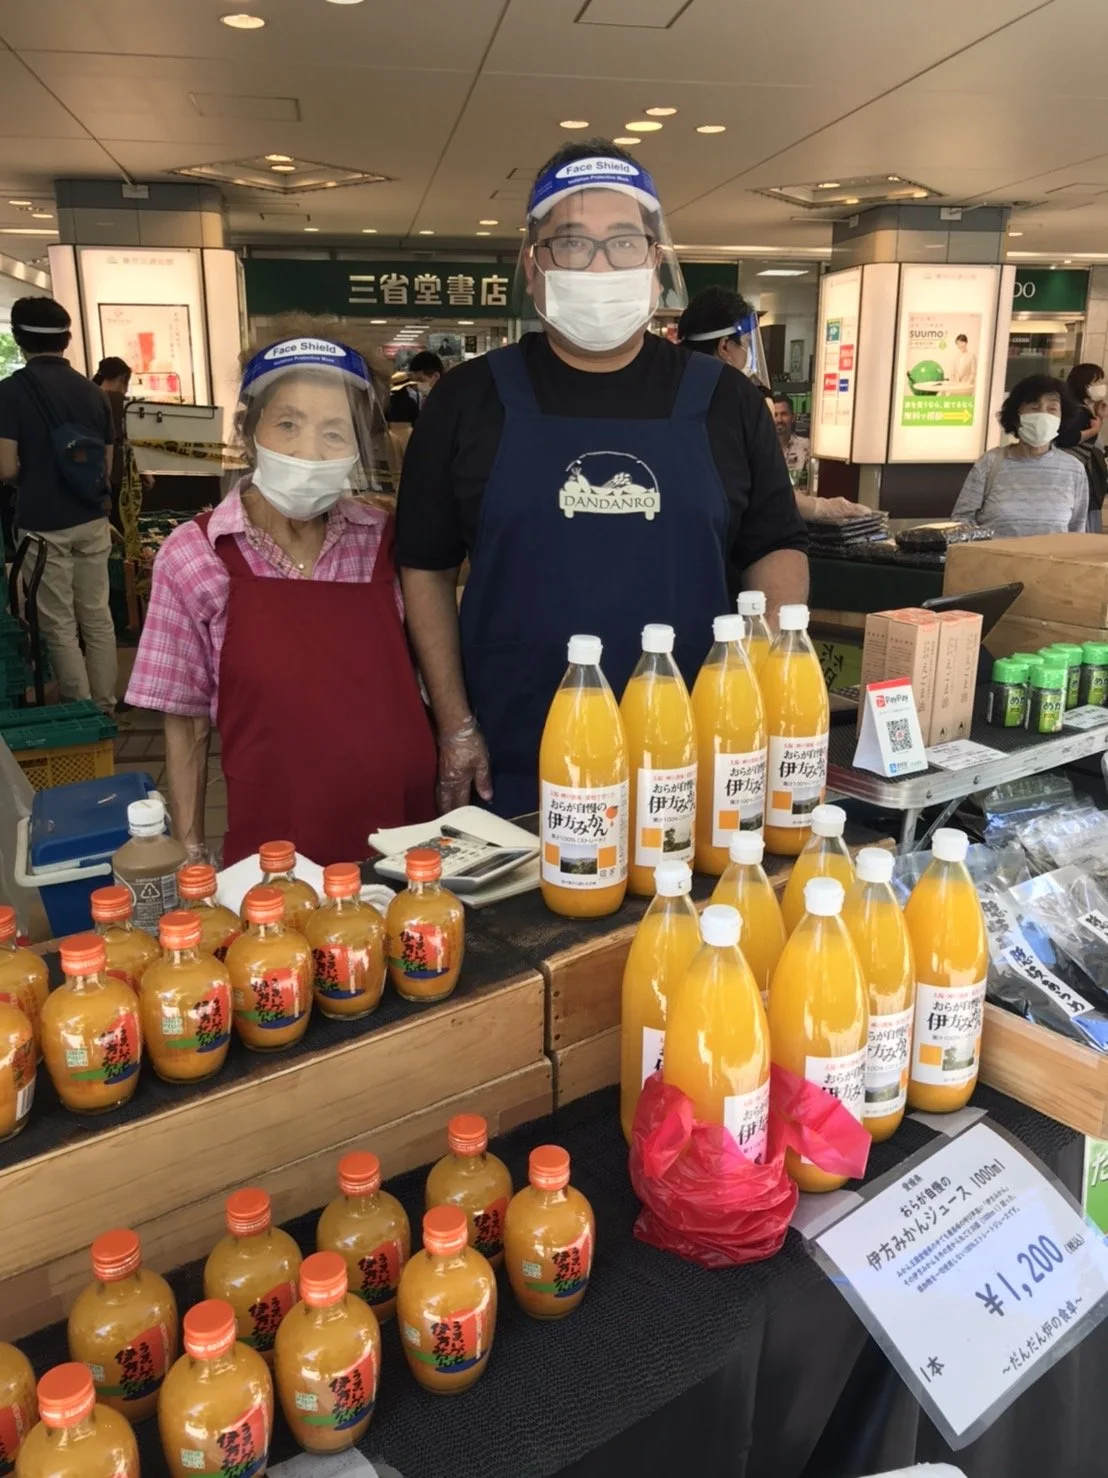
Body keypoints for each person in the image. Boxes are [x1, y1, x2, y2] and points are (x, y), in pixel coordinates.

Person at [397, 139, 808, 817]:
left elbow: (774, 547)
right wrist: (454, 724)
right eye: (571, 243)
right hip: (516, 757)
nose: (598, 264)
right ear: (533, 266)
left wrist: (765, 695)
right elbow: (425, 568)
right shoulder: (468, 401)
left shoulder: (726, 401)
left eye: (623, 242)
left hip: (694, 754)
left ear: (654, 261)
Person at [126, 333, 437, 865]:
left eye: (334, 432)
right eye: (288, 424)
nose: (308, 452)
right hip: (276, 852)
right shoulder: (197, 554)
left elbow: (434, 672)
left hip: (402, 840)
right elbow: (185, 720)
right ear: (250, 431)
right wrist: (192, 850)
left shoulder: (386, 541)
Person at [0, 297, 117, 712]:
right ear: (67, 340)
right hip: (92, 517)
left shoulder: (10, 392)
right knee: (97, 615)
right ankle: (105, 705)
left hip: (42, 523)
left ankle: (80, 707)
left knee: (59, 620)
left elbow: (5, 467)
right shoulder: (94, 393)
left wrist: (32, 477)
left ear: (19, 338)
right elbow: (106, 466)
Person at [953, 375, 1088, 537]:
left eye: (1052, 409)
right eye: (1034, 407)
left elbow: (1077, 531)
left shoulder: (1074, 469)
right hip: (996, 554)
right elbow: (961, 520)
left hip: (1053, 555)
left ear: (1062, 417)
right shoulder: (990, 463)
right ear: (1016, 416)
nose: (1043, 415)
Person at [1058, 363, 1107, 447]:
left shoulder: (1080, 406)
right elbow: (1066, 439)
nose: (1102, 385)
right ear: (1084, 385)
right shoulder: (1076, 410)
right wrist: (1095, 430)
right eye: (1097, 382)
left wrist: (1099, 416)